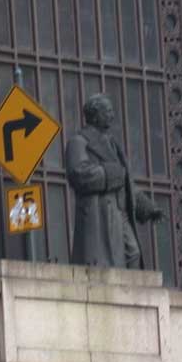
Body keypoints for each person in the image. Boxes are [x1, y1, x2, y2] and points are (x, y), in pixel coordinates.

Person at [66, 93, 163, 269]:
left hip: (119, 213)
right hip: (101, 214)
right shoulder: (78, 141)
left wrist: (147, 206)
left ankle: (130, 293)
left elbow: (125, 180)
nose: (111, 115)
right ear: (95, 115)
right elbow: (79, 174)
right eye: (107, 111)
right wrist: (110, 174)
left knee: (133, 253)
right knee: (118, 258)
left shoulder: (112, 143)